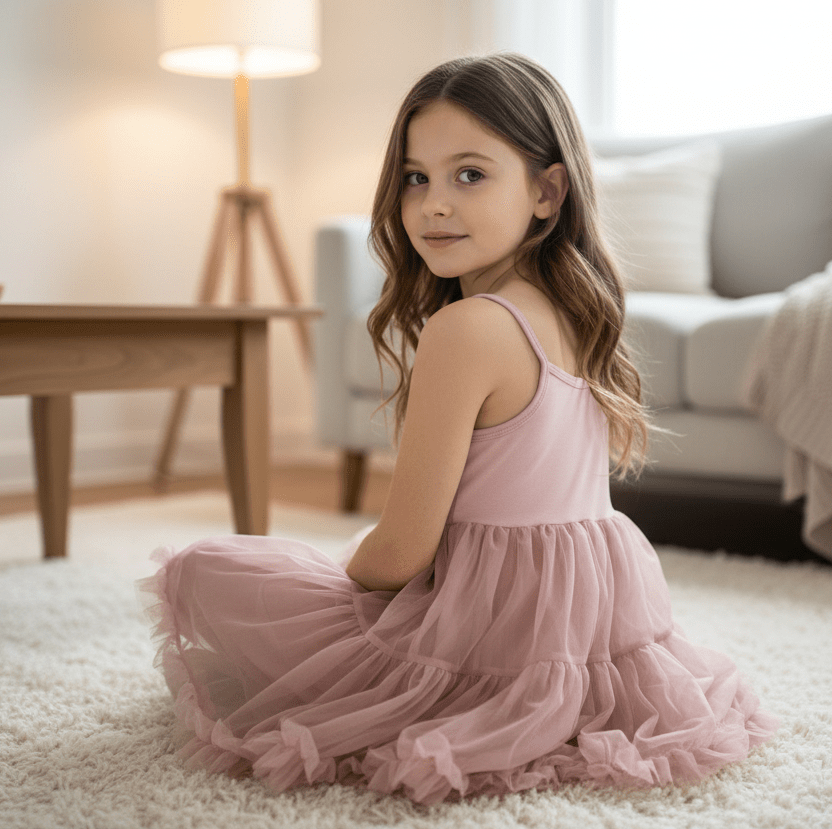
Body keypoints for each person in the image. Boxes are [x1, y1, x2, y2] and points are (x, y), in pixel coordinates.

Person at [139, 51, 780, 805]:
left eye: (469, 174)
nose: (434, 205)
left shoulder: (467, 329)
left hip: (485, 623)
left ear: (547, 191)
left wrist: (343, 591)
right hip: (581, 619)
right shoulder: (576, 311)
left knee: (210, 569)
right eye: (417, 177)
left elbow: (404, 549)